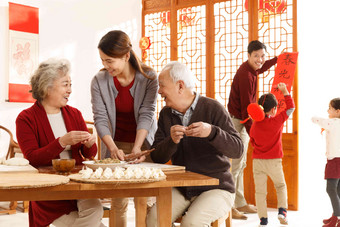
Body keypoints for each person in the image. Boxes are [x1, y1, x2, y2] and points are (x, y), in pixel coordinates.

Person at [146, 61, 243, 226]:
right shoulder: (166, 115)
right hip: (182, 187)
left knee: (191, 223)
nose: (159, 91)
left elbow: (237, 149)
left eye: (162, 86)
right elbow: (157, 157)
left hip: (217, 187)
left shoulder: (213, 108)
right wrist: (172, 141)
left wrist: (212, 132)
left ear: (180, 86)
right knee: (154, 219)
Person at [16, 58, 105, 227]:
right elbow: (32, 158)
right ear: (47, 87)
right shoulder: (26, 118)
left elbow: (88, 154)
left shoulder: (75, 114)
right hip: (50, 192)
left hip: (79, 184)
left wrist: (89, 145)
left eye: (70, 85)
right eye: (65, 84)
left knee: (95, 210)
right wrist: (61, 142)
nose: (70, 90)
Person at [91, 30, 158, 227]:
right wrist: (112, 149)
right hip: (115, 144)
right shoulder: (99, 81)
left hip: (143, 143)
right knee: (118, 202)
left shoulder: (149, 77)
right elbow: (100, 118)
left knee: (143, 201)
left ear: (126, 56)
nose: (105, 65)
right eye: (103, 60)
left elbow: (147, 113)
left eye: (110, 61)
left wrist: (138, 148)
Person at [227, 40, 278, 219]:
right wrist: (255, 136)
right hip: (238, 121)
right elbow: (246, 110)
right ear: (248, 55)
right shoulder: (246, 76)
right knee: (234, 166)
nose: (260, 60)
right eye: (256, 56)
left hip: (243, 119)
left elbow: (261, 68)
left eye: (262, 56)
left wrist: (277, 60)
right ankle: (229, 206)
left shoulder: (252, 69)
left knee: (241, 164)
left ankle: (239, 202)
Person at [249, 83, 295, 226]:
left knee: (260, 193)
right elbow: (291, 108)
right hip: (274, 161)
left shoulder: (255, 125)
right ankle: (282, 212)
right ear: (274, 109)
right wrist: (285, 92)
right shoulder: (277, 120)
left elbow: (253, 142)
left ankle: (263, 220)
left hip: (258, 162)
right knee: (280, 186)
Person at [312, 98, 340, 227]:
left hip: (335, 161)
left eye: (330, 108)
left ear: (338, 111)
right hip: (336, 160)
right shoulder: (334, 123)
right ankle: (336, 215)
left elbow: (316, 119)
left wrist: (314, 117)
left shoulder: (333, 123)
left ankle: (337, 218)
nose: (327, 110)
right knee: (338, 190)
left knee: (331, 189)